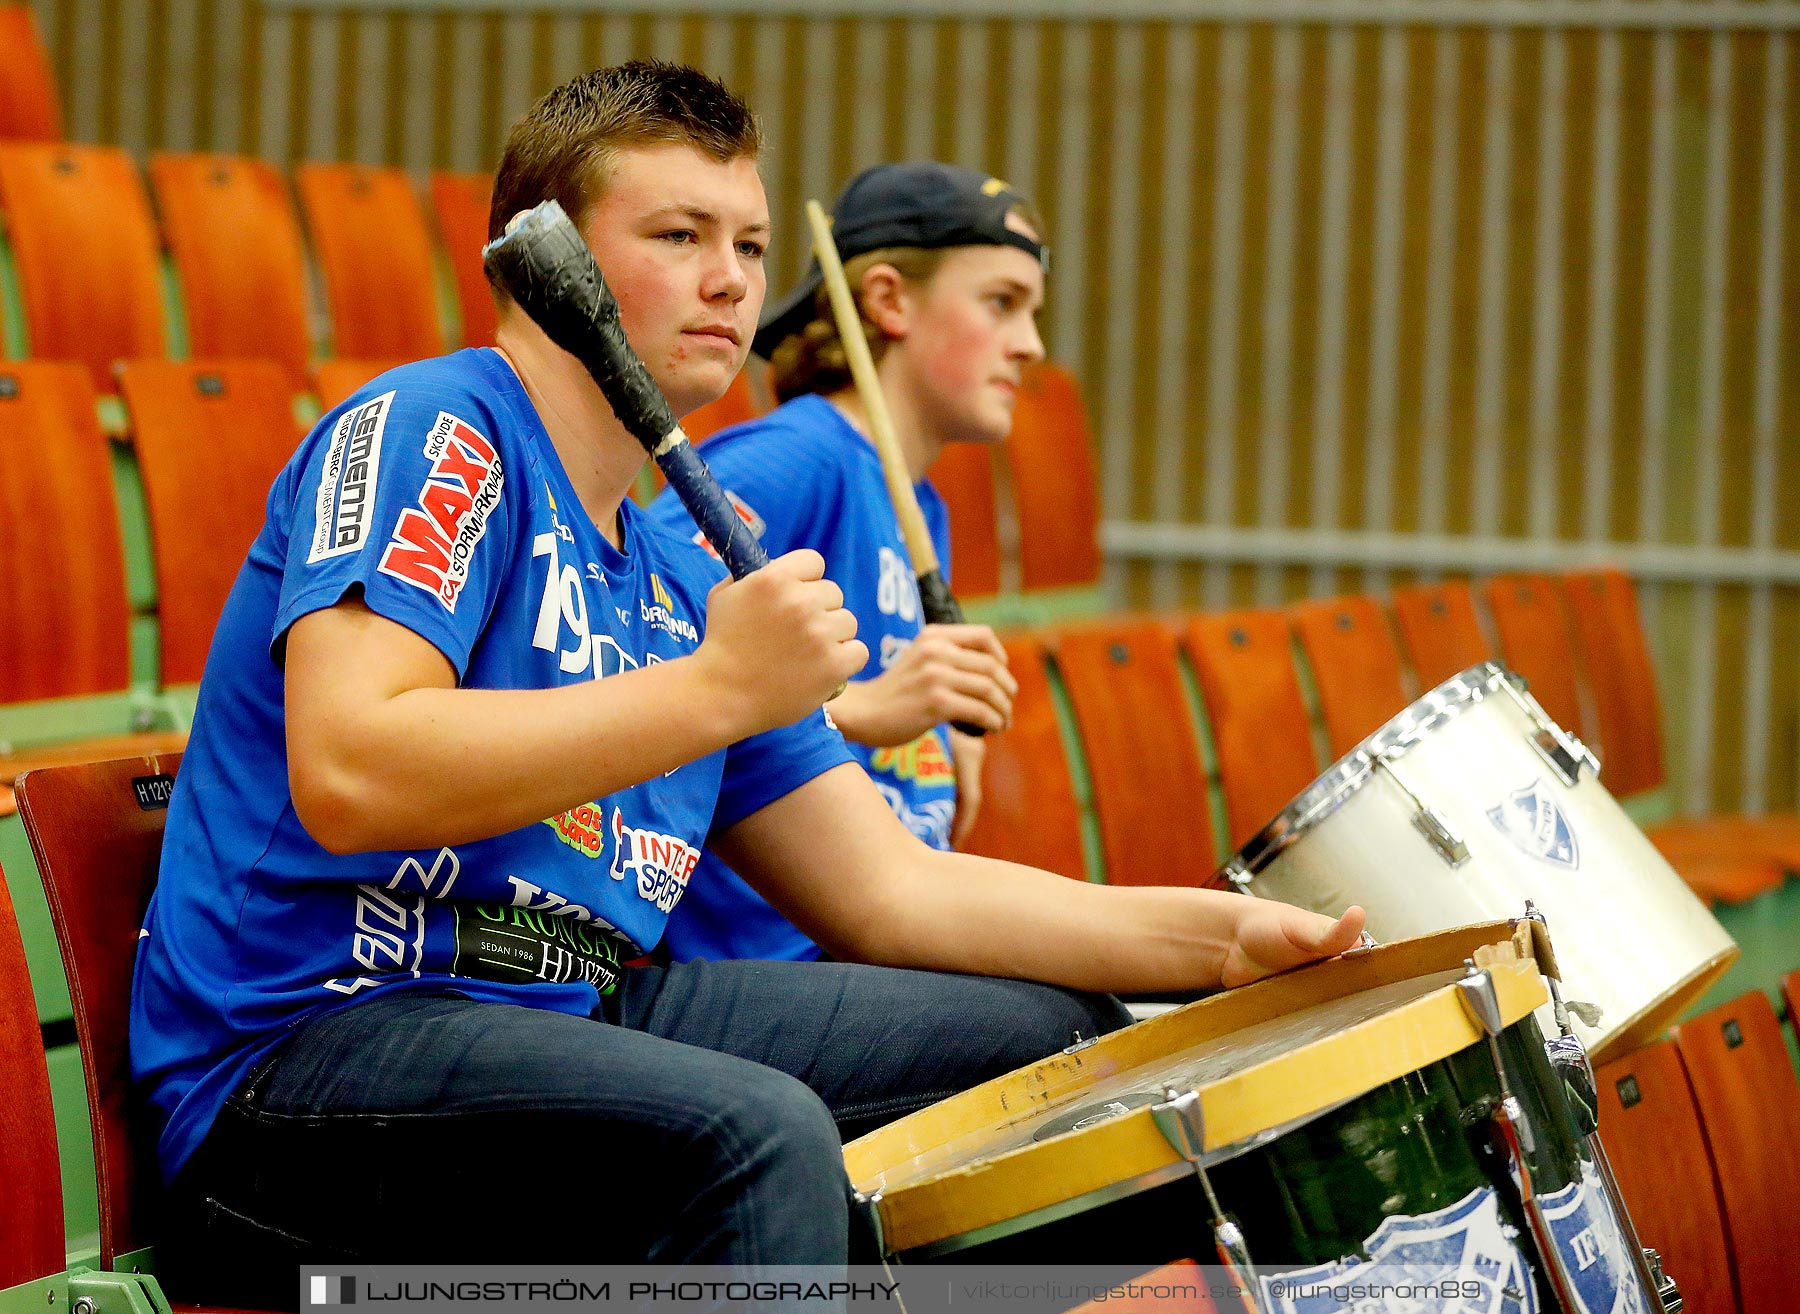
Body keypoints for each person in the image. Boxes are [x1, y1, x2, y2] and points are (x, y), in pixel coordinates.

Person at [129, 60, 1364, 1306]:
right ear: (534, 262)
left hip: (569, 1013)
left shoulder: (677, 566)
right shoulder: (435, 430)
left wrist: (1217, 948)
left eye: (752, 243)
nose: (732, 278)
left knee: (1059, 1046)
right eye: (679, 235)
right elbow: (350, 769)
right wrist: (721, 688)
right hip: (300, 1066)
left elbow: (893, 893)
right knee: (753, 1137)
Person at [647, 160, 1037, 964]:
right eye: (1002, 303)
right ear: (889, 300)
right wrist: (860, 710)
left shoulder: (922, 505)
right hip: (763, 959)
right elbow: (634, 643)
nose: (1031, 345)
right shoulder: (798, 457)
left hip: (875, 942)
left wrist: (928, 729)